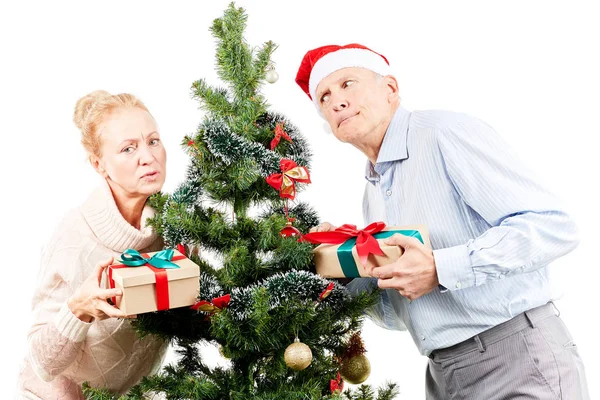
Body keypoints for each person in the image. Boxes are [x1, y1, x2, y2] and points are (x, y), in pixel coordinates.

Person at [295, 43, 589, 399]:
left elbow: (553, 225)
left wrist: (441, 268)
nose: (337, 101)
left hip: (515, 358)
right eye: (324, 96)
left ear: (390, 89)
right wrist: (337, 269)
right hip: (443, 375)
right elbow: (401, 311)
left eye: (348, 83)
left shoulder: (443, 133)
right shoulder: (372, 193)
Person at [17, 90, 169, 399]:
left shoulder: (177, 228)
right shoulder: (74, 237)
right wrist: (78, 310)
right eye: (128, 148)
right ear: (99, 165)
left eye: (153, 141)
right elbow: (41, 361)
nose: (148, 157)